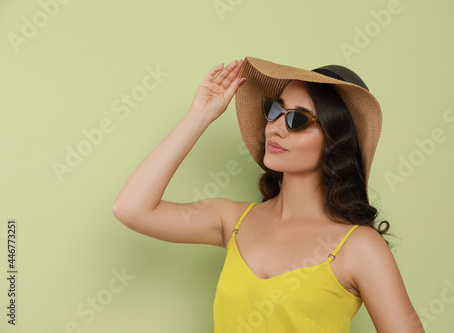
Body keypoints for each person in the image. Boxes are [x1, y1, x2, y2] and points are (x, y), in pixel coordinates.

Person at [113, 57, 425, 332]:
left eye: (297, 119)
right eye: (275, 110)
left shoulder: (358, 247)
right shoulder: (232, 220)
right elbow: (130, 209)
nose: (275, 127)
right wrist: (200, 114)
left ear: (335, 142)